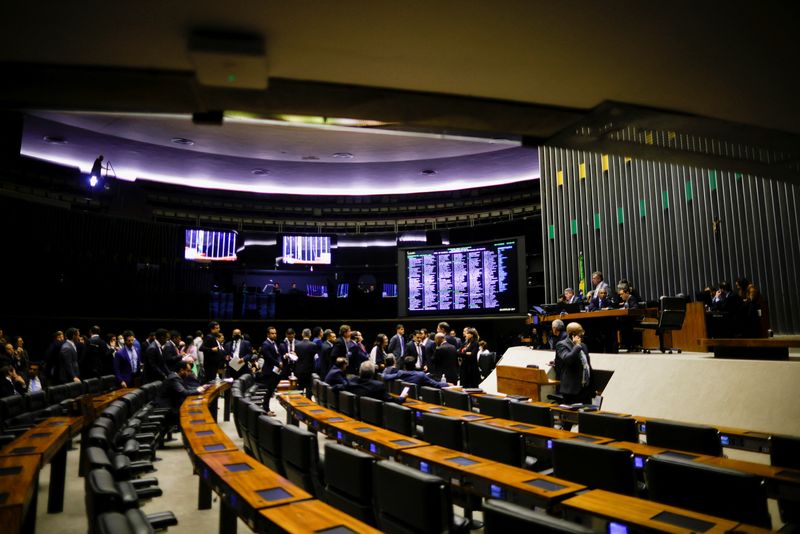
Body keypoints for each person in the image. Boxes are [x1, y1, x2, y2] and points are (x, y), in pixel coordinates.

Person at [153, 361, 209, 426]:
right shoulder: (173, 378)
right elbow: (183, 392)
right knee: (193, 410)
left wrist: (199, 388)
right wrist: (198, 391)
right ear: (181, 370)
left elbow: (186, 388)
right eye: (188, 371)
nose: (189, 373)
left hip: (172, 404)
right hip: (167, 407)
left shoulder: (176, 377)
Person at [555, 322, 593, 404]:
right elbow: (568, 359)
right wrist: (577, 347)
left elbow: (587, 366)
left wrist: (593, 388)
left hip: (585, 390)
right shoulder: (561, 345)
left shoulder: (584, 346)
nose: (583, 333)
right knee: (573, 416)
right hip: (572, 391)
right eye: (580, 331)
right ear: (573, 334)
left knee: (587, 416)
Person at [340, 360, 404, 404]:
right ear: (373, 373)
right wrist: (402, 397)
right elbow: (391, 400)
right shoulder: (378, 386)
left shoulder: (351, 381)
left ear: (360, 372)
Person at [258, 326, 282, 416]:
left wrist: (279, 361)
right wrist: (278, 363)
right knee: (268, 392)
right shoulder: (265, 344)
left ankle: (267, 409)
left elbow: (278, 354)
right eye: (272, 333)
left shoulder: (273, 343)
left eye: (275, 333)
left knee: (270, 391)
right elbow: (268, 358)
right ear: (268, 334)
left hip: (274, 370)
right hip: (268, 371)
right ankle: (265, 409)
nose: (274, 335)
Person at [383, 355, 449, 388]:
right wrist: (448, 384)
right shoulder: (420, 375)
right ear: (414, 365)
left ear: (405, 366)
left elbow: (385, 377)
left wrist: (385, 370)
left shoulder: (400, 373)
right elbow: (435, 384)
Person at [293, 328, 317, 399]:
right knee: (309, 388)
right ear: (310, 335)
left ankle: (298, 405)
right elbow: (315, 358)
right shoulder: (313, 345)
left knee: (300, 388)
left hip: (299, 370)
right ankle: (308, 405)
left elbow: (296, 357)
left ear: (302, 334)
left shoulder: (297, 345)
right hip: (309, 370)